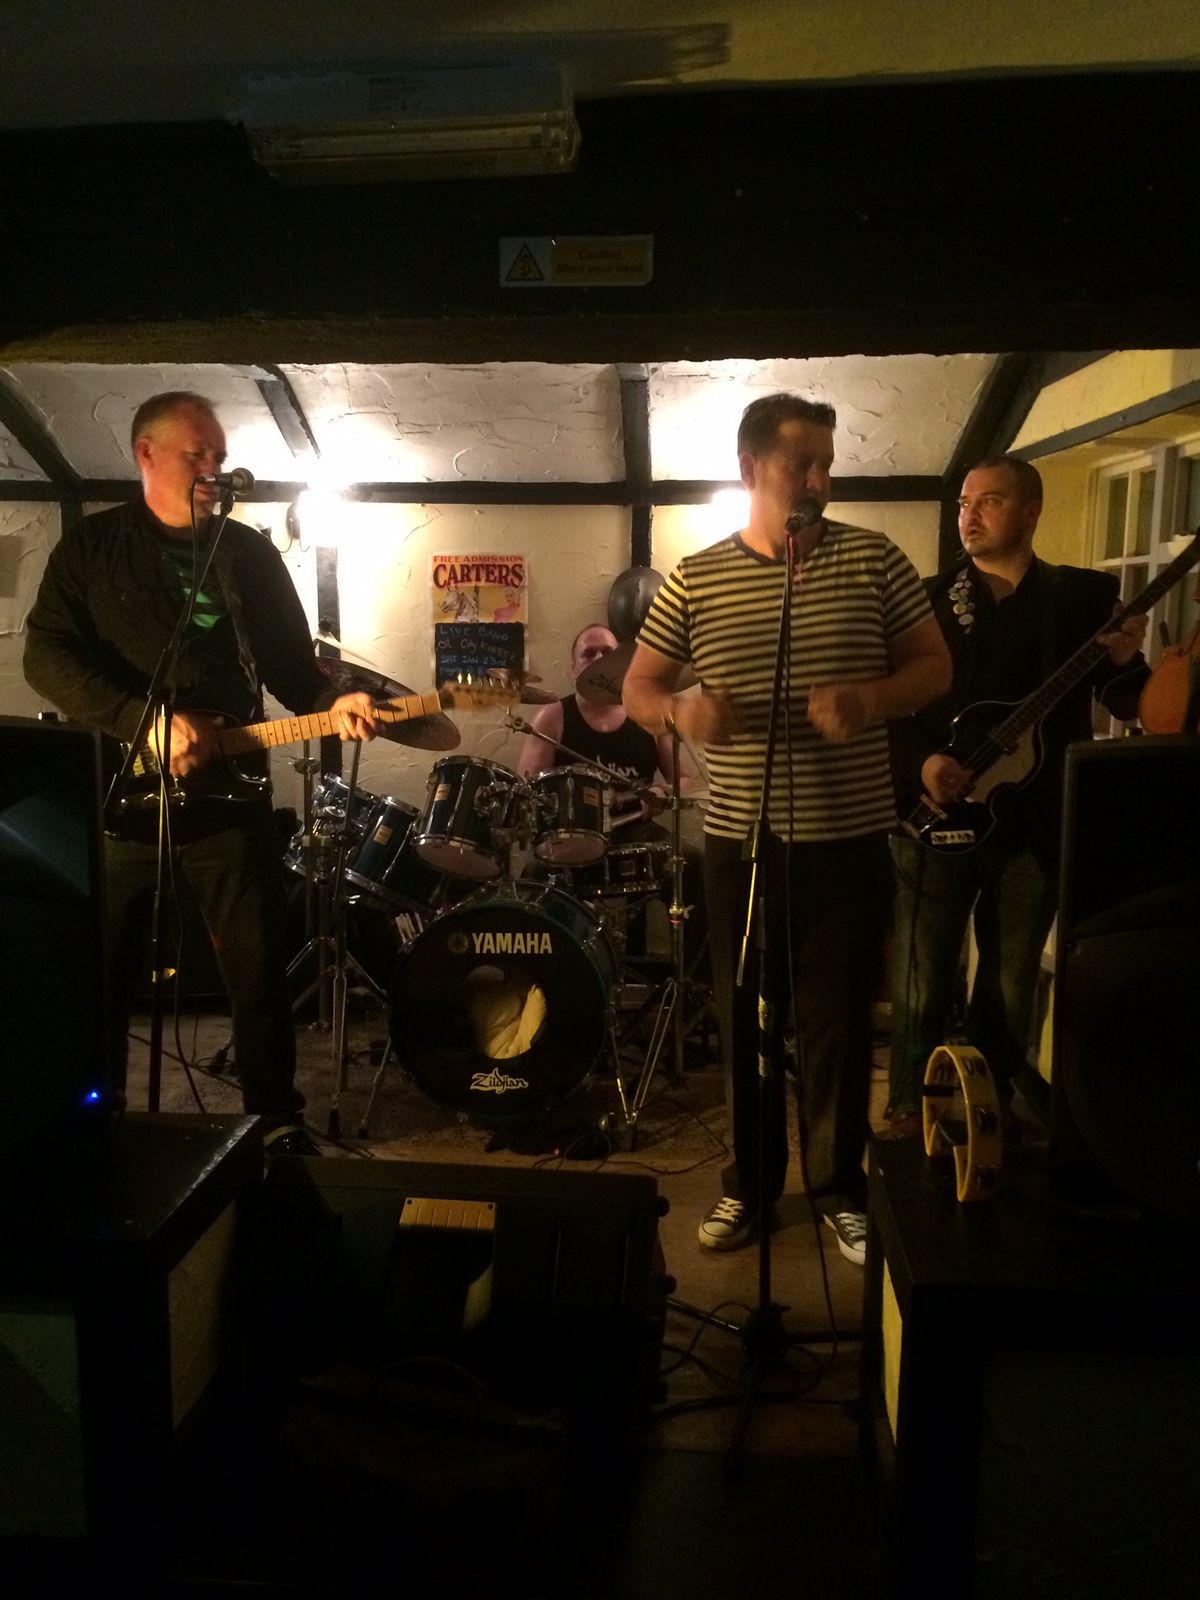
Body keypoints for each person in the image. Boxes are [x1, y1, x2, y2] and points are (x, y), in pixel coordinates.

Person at [623, 393, 951, 1262]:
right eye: (801, 463)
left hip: (850, 840)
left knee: (838, 1020)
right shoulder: (696, 577)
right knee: (746, 1021)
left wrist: (871, 698)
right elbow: (638, 688)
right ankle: (752, 1185)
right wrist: (680, 711)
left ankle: (838, 1186)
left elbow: (934, 668)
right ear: (750, 470)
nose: (819, 480)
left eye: (827, 465)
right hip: (742, 843)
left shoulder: (875, 560)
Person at [23, 390, 379, 1156]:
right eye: (198, 454)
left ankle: (274, 1123)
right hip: (122, 800)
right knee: (100, 975)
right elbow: (44, 656)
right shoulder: (91, 549)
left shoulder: (248, 555)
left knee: (258, 972)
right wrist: (144, 720)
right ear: (145, 454)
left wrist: (334, 701)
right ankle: (93, 1120)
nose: (215, 468)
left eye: (219, 454)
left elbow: (291, 667)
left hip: (229, 798)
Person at [885, 455, 1148, 1140]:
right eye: (963, 503)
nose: (968, 516)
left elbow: (1131, 702)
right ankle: (911, 1106)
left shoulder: (1082, 599)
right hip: (934, 815)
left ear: (1031, 511)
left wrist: (1127, 660)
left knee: (1010, 981)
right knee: (921, 978)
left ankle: (988, 1102)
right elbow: (889, 710)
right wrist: (923, 763)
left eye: (989, 501)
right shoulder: (923, 601)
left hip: (1033, 823)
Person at [516, 624, 680, 836]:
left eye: (607, 652)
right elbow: (526, 792)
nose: (599, 659)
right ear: (573, 669)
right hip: (572, 836)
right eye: (588, 654)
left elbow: (685, 780)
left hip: (638, 833)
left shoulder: (650, 716)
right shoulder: (552, 717)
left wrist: (662, 791)